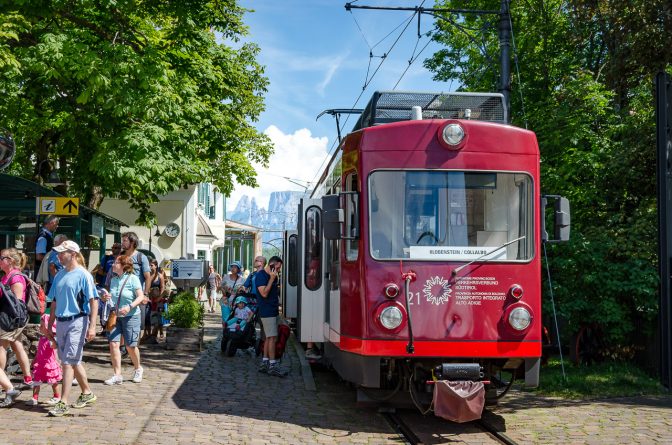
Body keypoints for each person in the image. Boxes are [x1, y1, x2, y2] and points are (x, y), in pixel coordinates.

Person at [45, 240, 98, 417]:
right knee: (73, 360)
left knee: (67, 362)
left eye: (62, 253)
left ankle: (63, 402)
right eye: (58, 253)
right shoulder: (59, 275)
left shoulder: (84, 275)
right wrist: (48, 322)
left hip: (77, 321)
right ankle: (87, 393)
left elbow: (93, 300)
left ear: (73, 254)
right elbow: (54, 301)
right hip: (61, 322)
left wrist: (92, 326)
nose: (59, 256)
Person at [102, 254, 145, 386]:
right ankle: (117, 375)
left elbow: (140, 297)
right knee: (113, 344)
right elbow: (112, 297)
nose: (113, 265)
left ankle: (138, 369)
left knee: (130, 346)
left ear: (123, 265)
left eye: (116, 263)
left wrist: (130, 306)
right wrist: (106, 297)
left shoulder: (133, 279)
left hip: (131, 316)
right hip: (115, 316)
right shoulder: (113, 279)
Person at [0, 248, 36, 388]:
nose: (0, 260)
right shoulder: (7, 276)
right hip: (9, 319)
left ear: (11, 261)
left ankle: (3, 381)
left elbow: (16, 303)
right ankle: (28, 378)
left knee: (1, 347)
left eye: (2, 258)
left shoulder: (15, 277)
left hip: (10, 320)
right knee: (17, 345)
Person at [256, 255, 285, 377]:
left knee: (269, 338)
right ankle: (273, 366)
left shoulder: (273, 276)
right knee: (272, 338)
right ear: (272, 264)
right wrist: (272, 279)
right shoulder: (261, 276)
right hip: (267, 312)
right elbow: (263, 293)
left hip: (272, 311)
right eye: (277, 267)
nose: (278, 270)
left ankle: (265, 363)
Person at [26, 313, 62, 406]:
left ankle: (57, 396)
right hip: (40, 364)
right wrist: (34, 361)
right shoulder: (42, 338)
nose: (39, 327)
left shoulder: (51, 340)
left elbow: (55, 347)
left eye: (42, 326)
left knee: (53, 381)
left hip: (49, 364)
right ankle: (34, 398)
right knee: (36, 382)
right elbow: (39, 352)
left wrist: (51, 337)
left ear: (48, 327)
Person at [120, 232, 150, 339]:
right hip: (122, 297)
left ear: (132, 242)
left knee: (137, 327)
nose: (122, 243)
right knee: (121, 324)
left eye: (125, 240)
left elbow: (147, 277)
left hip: (138, 297)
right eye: (122, 240)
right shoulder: (120, 257)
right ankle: (123, 349)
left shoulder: (141, 257)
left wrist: (145, 294)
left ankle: (133, 347)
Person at [146, 258, 164, 338]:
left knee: (157, 318)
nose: (150, 267)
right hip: (149, 299)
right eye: (149, 265)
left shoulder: (160, 276)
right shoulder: (147, 275)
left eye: (151, 265)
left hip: (157, 300)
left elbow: (163, 288)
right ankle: (148, 334)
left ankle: (154, 335)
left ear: (156, 266)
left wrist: (159, 298)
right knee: (147, 317)